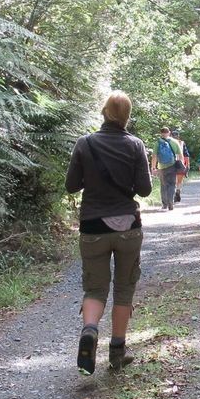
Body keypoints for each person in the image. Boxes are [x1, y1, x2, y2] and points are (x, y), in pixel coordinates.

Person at [66, 91, 152, 374]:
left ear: (104, 112)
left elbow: (71, 185)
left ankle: (89, 330)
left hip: (93, 227)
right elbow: (145, 189)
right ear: (127, 116)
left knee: (95, 288)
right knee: (124, 288)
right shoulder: (135, 145)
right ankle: (117, 351)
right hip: (127, 226)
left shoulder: (84, 143)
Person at [152, 126, 183, 210]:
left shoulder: (158, 142)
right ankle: (170, 201)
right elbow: (180, 155)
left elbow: (154, 156)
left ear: (161, 133)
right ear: (169, 132)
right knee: (172, 184)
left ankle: (164, 204)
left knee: (163, 185)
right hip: (172, 166)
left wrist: (153, 167)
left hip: (161, 167)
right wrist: (181, 165)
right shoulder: (174, 142)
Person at [173, 130, 190, 203]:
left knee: (172, 181)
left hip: (170, 164)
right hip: (181, 164)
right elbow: (186, 155)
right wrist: (187, 165)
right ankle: (178, 190)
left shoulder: (168, 143)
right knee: (179, 181)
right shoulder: (182, 143)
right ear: (178, 136)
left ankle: (173, 194)